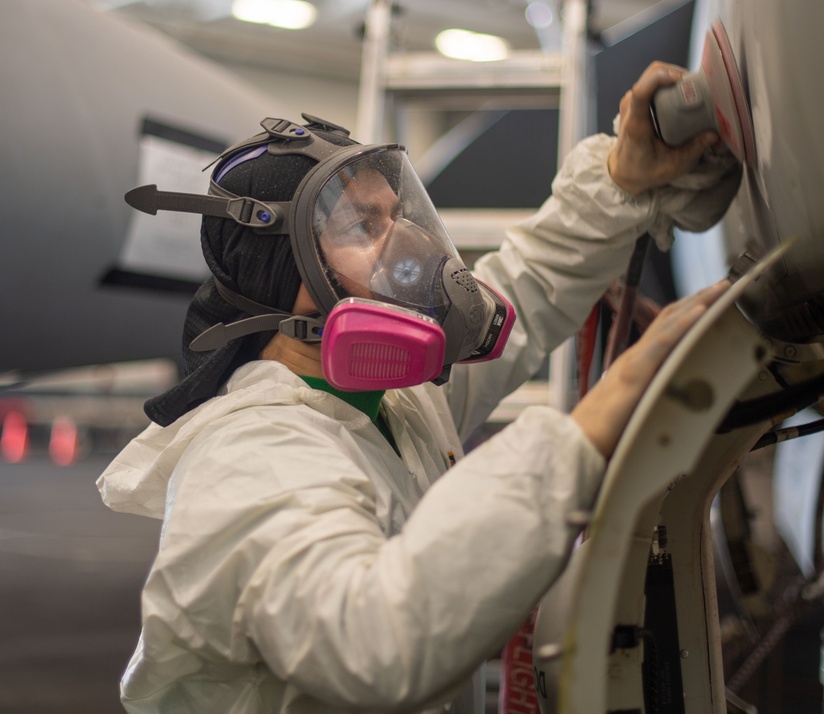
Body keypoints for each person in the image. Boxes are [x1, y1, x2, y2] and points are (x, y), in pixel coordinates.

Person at [97, 62, 742, 713]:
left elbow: (528, 290)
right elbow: (378, 642)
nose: (410, 251)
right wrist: (595, 421)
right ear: (285, 275)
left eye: (398, 216)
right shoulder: (249, 461)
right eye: (364, 227)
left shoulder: (394, 404)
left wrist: (620, 180)